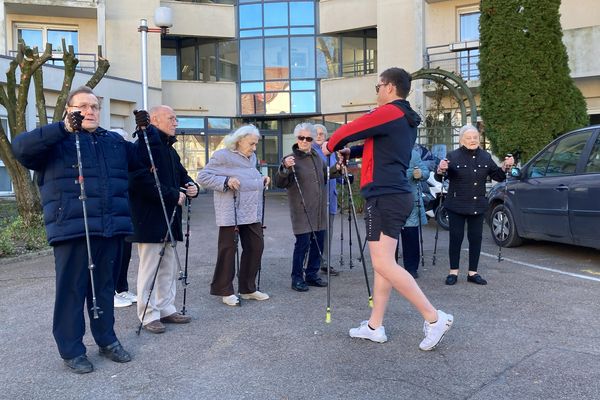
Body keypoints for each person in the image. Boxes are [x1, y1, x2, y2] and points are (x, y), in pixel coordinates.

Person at [322, 67, 453, 350]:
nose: (377, 92)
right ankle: (374, 326)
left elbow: (351, 129)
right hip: (393, 195)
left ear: (390, 87)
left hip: (385, 196)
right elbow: (379, 147)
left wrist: (331, 145)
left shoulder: (391, 112)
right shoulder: (401, 118)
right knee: (384, 266)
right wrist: (350, 152)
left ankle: (434, 318)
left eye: (378, 86)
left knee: (382, 263)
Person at [12, 86, 134, 373]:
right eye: (82, 106)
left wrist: (152, 132)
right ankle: (72, 349)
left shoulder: (113, 142)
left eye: (94, 107)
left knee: (104, 288)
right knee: (71, 290)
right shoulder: (55, 140)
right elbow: (21, 148)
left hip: (108, 227)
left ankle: (107, 339)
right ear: (69, 109)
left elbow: (142, 160)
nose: (89, 111)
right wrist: (62, 129)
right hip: (72, 227)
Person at [128, 105, 199, 334]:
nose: (176, 122)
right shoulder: (143, 145)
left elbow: (181, 173)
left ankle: (166, 307)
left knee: (167, 266)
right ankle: (148, 314)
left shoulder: (170, 149)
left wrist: (190, 185)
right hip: (150, 218)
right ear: (155, 120)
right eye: (171, 118)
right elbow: (139, 180)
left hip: (171, 216)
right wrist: (172, 194)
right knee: (150, 269)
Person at [197, 125, 271, 306]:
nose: (254, 148)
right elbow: (203, 177)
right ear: (239, 140)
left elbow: (248, 177)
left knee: (256, 247)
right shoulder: (222, 156)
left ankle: (247, 289)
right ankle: (224, 290)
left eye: (256, 144)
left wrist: (262, 180)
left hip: (252, 210)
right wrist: (226, 181)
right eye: (251, 144)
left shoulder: (251, 157)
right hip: (231, 211)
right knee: (228, 250)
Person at [436, 124, 514, 286]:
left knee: (475, 239)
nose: (473, 140)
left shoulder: (485, 156)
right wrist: (441, 170)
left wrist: (506, 166)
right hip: (456, 204)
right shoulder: (453, 156)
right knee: (456, 239)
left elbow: (498, 176)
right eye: (469, 138)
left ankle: (473, 272)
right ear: (461, 140)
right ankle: (453, 272)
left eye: (475, 138)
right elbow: (441, 178)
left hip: (477, 205)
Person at [275, 123, 340, 292]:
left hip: (319, 209)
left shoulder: (316, 157)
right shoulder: (290, 159)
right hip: (302, 209)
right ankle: (296, 278)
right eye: (301, 138)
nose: (304, 141)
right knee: (302, 244)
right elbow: (280, 182)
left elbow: (324, 175)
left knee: (318, 242)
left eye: (308, 138)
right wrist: (284, 168)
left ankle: (311, 274)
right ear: (297, 138)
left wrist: (337, 169)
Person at [397, 145, 430, 279]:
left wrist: (420, 174)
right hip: (390, 201)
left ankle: (411, 268)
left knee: (410, 234)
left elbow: (425, 172)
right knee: (390, 237)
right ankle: (390, 268)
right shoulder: (385, 152)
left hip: (410, 200)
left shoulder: (413, 154)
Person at [313, 124, 340, 276]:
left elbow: (335, 171)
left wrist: (343, 176)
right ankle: (312, 264)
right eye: (316, 133)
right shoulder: (310, 152)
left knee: (328, 233)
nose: (319, 136)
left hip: (331, 197)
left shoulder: (331, 152)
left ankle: (325, 262)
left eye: (322, 134)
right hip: (317, 199)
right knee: (316, 233)